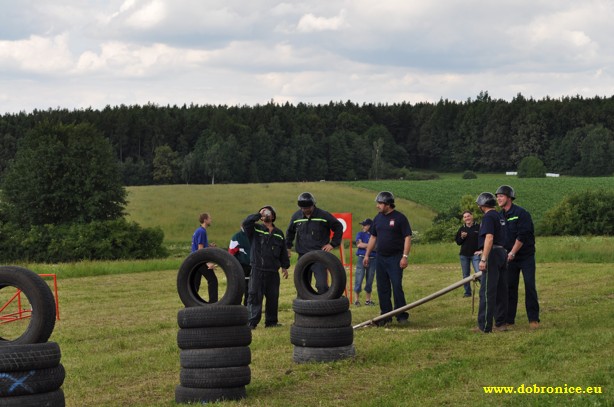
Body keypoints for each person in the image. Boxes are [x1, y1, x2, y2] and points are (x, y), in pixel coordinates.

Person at [363, 191, 412, 326]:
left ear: (388, 204)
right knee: (382, 287)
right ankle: (385, 316)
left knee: (396, 286)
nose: (377, 206)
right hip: (380, 258)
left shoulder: (400, 218)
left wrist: (404, 256)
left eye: (380, 203)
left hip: (395, 258)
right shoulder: (377, 218)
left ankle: (401, 315)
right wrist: (367, 254)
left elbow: (407, 237)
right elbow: (373, 237)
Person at [496, 185, 540, 329]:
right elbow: (499, 237)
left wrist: (513, 252)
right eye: (497, 196)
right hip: (509, 258)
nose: (498, 198)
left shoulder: (521, 213)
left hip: (525, 256)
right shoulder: (500, 215)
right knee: (510, 287)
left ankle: (533, 319)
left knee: (529, 285)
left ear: (509, 197)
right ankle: (509, 319)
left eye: (501, 196)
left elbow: (522, 236)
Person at [285, 192, 343, 294]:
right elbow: (290, 232)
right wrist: (288, 247)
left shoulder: (324, 215)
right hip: (303, 257)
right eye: (303, 208)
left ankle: (323, 306)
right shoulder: (296, 216)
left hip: (319, 257)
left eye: (307, 208)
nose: (305, 210)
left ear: (313, 205)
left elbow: (338, 227)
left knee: (322, 286)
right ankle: (303, 308)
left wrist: (332, 244)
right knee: (302, 288)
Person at [242, 205, 290, 329]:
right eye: (263, 213)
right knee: (254, 296)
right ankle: (251, 322)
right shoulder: (255, 229)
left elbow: (283, 251)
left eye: (268, 213)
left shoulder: (279, 233)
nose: (266, 214)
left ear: (273, 216)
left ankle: (271, 322)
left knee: (273, 297)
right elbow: (246, 222)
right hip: (257, 269)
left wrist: (285, 266)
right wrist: (258, 215)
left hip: (273, 271)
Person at [474, 192, 508, 333]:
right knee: (501, 290)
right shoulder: (500, 216)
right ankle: (501, 323)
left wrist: (483, 258)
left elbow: (489, 237)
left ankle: (485, 326)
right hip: (502, 253)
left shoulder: (488, 217)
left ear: (482, 205)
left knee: (487, 291)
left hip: (492, 254)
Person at [191, 212, 218, 303]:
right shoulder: (202, 231)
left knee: (195, 284)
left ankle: (191, 302)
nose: (211, 220)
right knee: (213, 280)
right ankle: (213, 303)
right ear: (205, 220)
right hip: (199, 261)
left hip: (194, 261)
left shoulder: (199, 230)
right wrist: (208, 263)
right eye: (210, 218)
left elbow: (200, 246)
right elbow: (200, 250)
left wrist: (209, 246)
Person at [455, 210, 481, 297]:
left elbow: (484, 239)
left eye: (468, 216)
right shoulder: (462, 229)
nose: (467, 218)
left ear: (472, 216)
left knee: (479, 273)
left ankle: (484, 291)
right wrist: (462, 237)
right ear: (463, 219)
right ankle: (467, 293)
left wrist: (481, 251)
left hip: (475, 255)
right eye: (465, 217)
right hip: (464, 255)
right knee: (466, 274)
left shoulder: (478, 227)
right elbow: (458, 242)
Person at [354, 218, 376, 306]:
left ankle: (368, 300)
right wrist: (371, 246)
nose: (362, 226)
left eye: (364, 225)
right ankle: (356, 300)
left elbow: (377, 246)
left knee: (370, 279)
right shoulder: (360, 234)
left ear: (369, 226)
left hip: (373, 258)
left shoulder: (375, 235)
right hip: (361, 257)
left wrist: (366, 246)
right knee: (359, 278)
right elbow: (359, 244)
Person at [228, 226, 252, 306]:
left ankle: (248, 306)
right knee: (241, 287)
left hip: (253, 266)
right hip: (242, 266)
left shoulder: (255, 235)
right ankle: (237, 307)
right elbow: (231, 253)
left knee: (250, 288)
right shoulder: (237, 237)